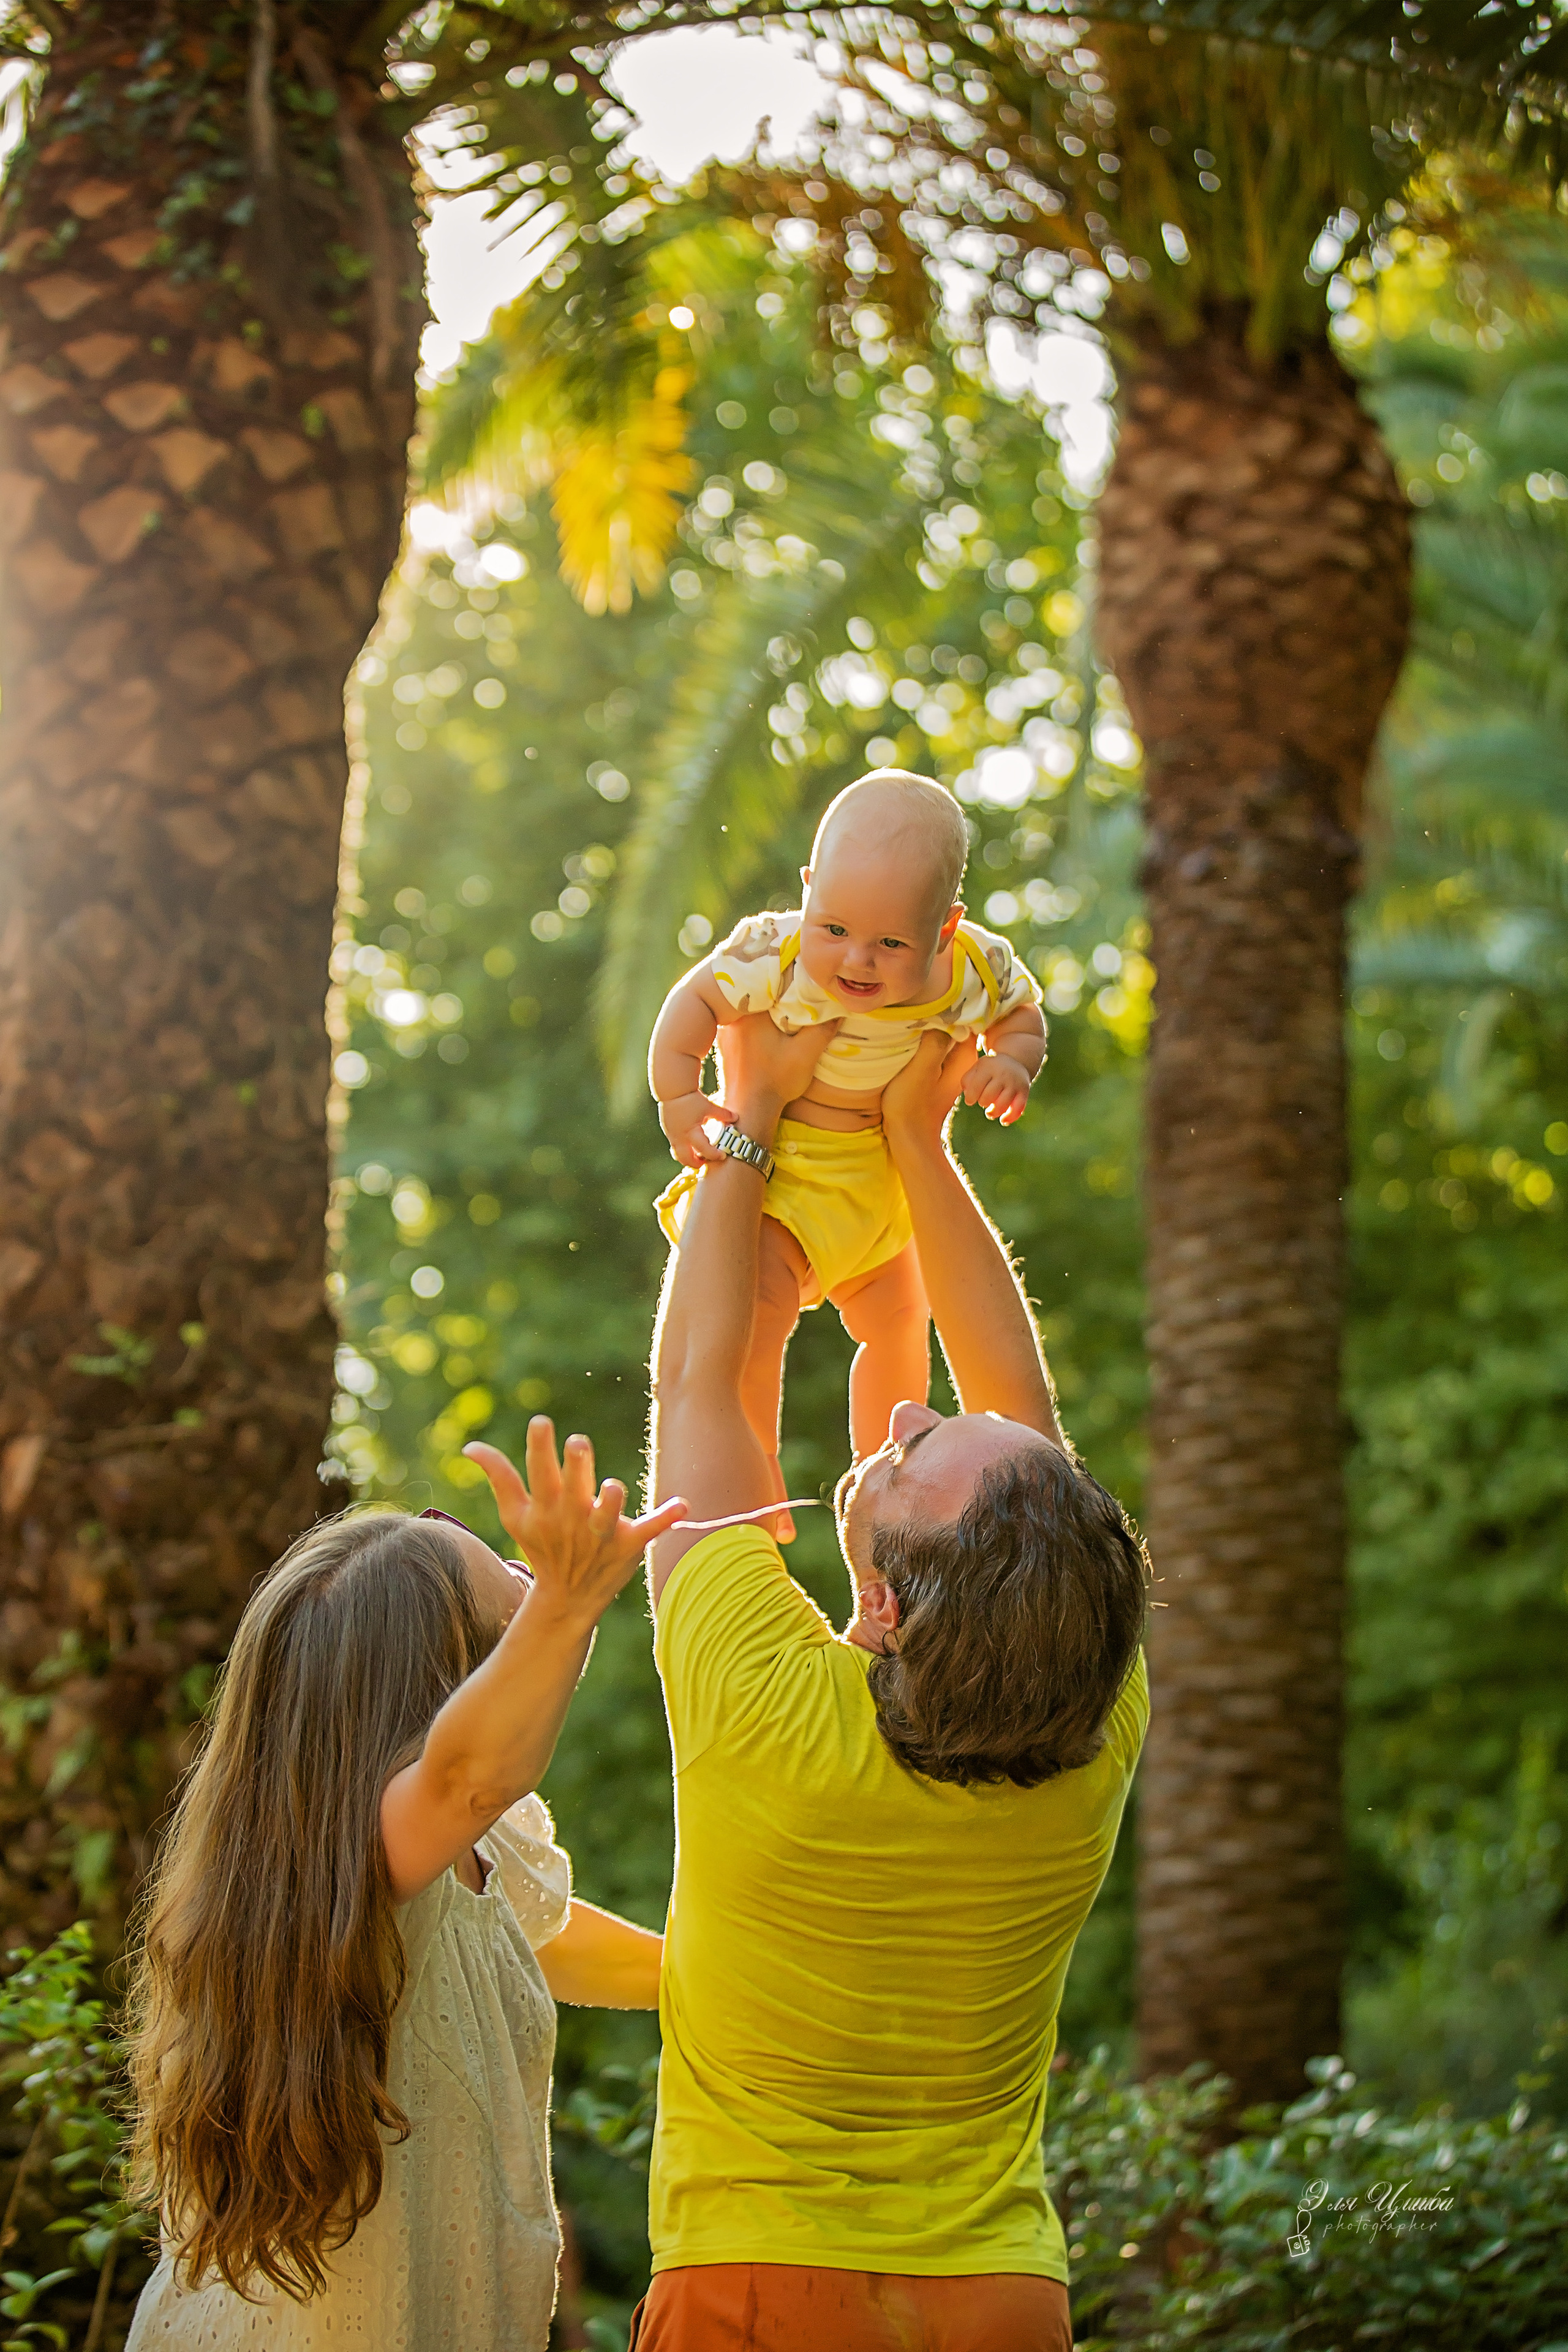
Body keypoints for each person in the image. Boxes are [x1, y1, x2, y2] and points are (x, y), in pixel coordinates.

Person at [633, 1011, 1150, 2352]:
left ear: (884, 1605)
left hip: (752, 2294)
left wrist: (747, 1118)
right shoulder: (1094, 1714)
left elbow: (695, 1383)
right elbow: (1018, 1417)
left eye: (915, 1455)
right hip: (999, 2298)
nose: (911, 1409)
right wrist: (915, 1140)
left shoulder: (765, 1709)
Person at [125, 1438, 684, 2351]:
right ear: (451, 1679)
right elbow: (471, 1775)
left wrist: (718, 1981)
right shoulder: (380, 1845)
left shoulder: (458, 1855)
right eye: (509, 1585)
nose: (526, 1573)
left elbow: (537, 1940)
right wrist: (570, 1601)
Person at [648, 770, 1046, 1529]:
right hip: (785, 1179)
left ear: (945, 929)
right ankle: (753, 1466)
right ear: (807, 892)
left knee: (900, 1321)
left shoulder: (974, 969)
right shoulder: (775, 953)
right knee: (755, 1319)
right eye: (833, 929)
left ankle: (887, 1474)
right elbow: (693, 1001)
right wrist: (680, 1097)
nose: (856, 961)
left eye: (890, 943)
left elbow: (1023, 1016)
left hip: (882, 1185)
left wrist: (1011, 1062)